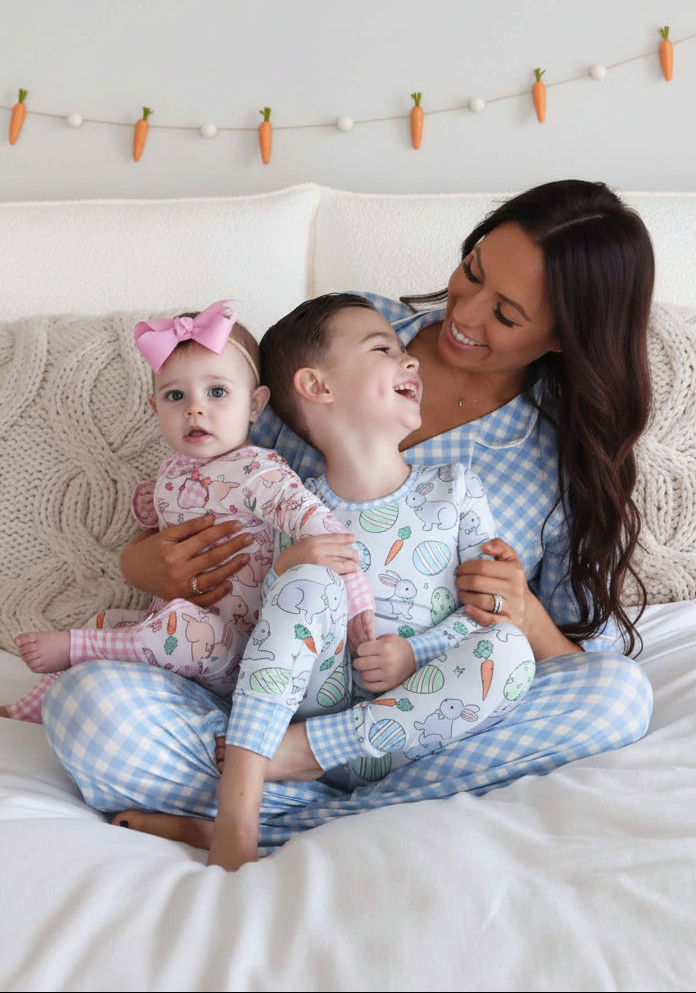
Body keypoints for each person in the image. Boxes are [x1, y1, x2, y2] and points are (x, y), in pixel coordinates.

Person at [40, 179, 654, 859]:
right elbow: (211, 456)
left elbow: (576, 660)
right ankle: (341, 810)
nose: (465, 312)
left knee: (618, 698)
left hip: (434, 722)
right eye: (473, 270)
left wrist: (524, 614)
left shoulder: (562, 452)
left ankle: (271, 810)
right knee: (88, 708)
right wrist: (140, 561)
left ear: (564, 337)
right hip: (273, 689)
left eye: (506, 315)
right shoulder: (349, 330)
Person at [211, 294, 534, 869]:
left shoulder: (456, 488)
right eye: (384, 349)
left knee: (510, 649)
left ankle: (282, 765)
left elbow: (484, 615)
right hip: (317, 700)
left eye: (402, 349)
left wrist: (415, 653)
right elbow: (273, 631)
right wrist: (289, 568)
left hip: (412, 729)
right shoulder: (295, 506)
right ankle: (240, 809)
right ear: (317, 386)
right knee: (308, 579)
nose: (411, 360)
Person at [4, 300, 374, 722]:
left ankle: (79, 648)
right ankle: (34, 705)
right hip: (168, 631)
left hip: (240, 650)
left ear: (254, 405)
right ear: (155, 408)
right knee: (106, 618)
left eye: (217, 392)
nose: (194, 408)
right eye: (175, 396)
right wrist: (148, 507)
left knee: (180, 627)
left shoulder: (259, 472)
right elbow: (168, 513)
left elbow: (321, 528)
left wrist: (359, 604)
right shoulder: (173, 467)